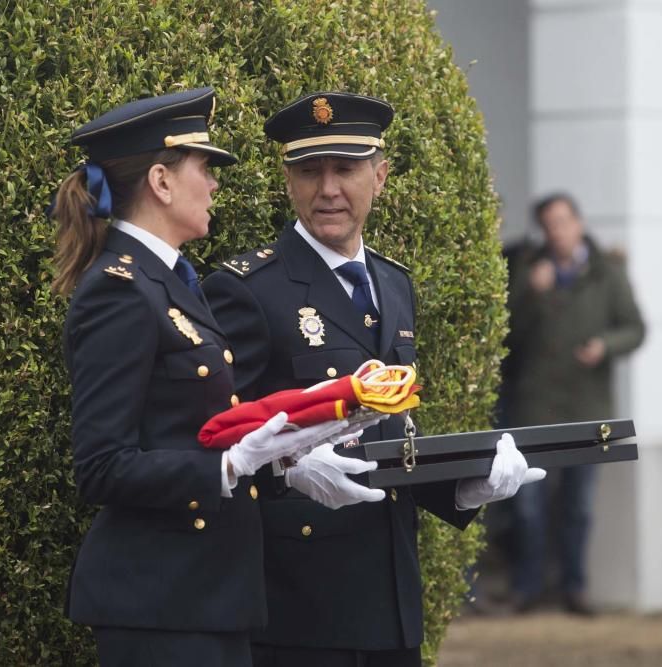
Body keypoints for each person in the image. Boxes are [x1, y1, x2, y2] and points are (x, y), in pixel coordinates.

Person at [202, 91, 544, 667]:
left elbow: (391, 436)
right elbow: (212, 439)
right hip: (297, 610)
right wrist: (289, 468)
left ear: (380, 177)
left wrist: (465, 488)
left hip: (389, 601)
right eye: (310, 170)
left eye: (346, 169)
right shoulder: (248, 288)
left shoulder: (393, 285)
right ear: (288, 182)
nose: (328, 188)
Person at [52, 87, 358, 666]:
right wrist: (226, 466)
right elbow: (100, 467)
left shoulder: (168, 281)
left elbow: (191, 426)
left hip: (204, 597)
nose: (215, 183)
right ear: (162, 182)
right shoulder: (120, 291)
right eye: (205, 167)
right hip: (158, 602)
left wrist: (284, 459)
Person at [505, 193, 645, 614]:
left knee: (578, 505)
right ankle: (527, 587)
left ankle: (574, 586)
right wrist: (530, 292)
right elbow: (507, 335)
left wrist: (605, 345)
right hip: (535, 407)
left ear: (579, 223)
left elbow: (635, 328)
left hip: (588, 408)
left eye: (564, 221)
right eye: (549, 225)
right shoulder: (529, 271)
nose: (558, 232)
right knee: (528, 506)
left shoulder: (607, 272)